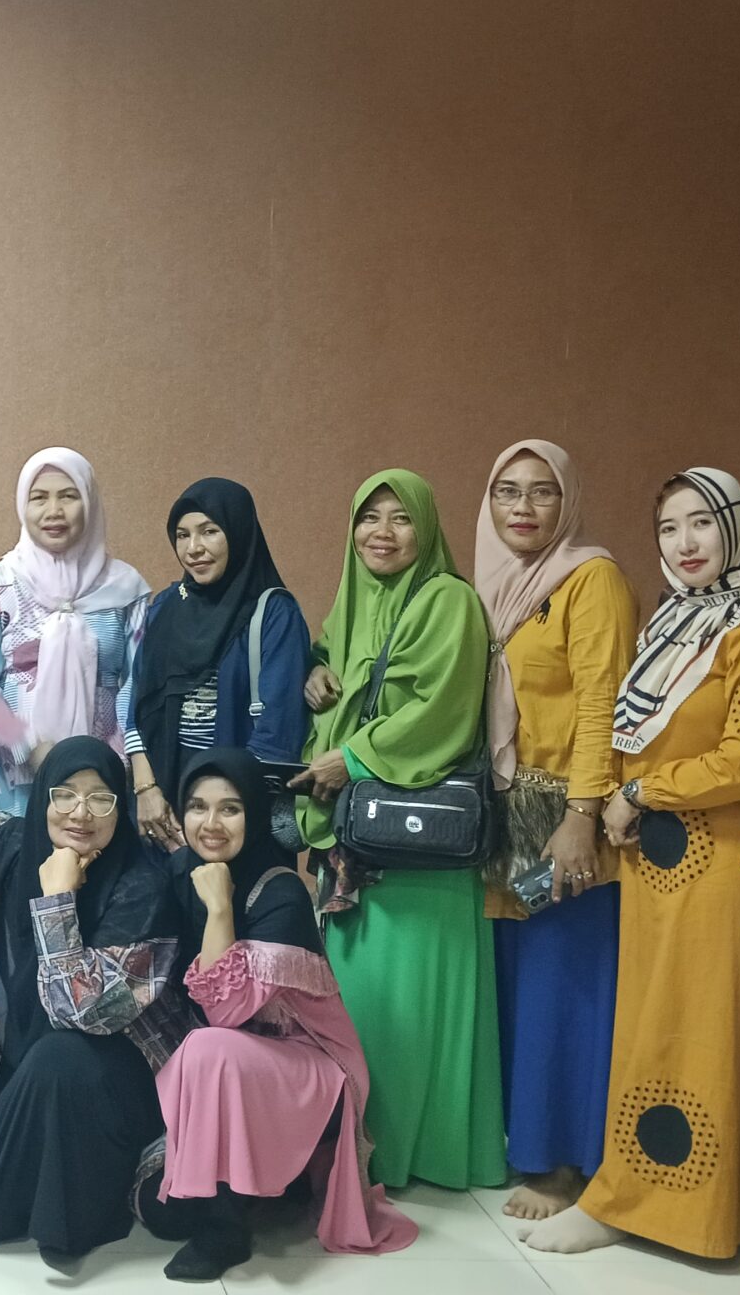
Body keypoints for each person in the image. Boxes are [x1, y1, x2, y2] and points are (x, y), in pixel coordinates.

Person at [526, 468, 740, 1257]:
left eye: (703, 523)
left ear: (739, 526)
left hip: (717, 868)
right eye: (669, 529)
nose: (686, 543)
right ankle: (641, 1199)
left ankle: (689, 1212)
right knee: (654, 1030)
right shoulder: (677, 619)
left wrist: (640, 792)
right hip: (656, 867)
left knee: (698, 1036)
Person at [295, 469, 504, 1191]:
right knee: (363, 1006)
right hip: (357, 843)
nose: (381, 533)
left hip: (419, 851)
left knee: (415, 1008)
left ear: (427, 527)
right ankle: (360, 1154)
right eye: (369, 517)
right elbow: (341, 670)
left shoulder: (449, 601)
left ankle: (421, 1155)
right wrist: (313, 673)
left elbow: (444, 710)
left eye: (400, 518)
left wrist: (352, 757)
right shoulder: (353, 602)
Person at [140, 749, 416, 1279]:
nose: (211, 823)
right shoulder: (180, 871)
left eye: (230, 809)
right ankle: (250, 1187)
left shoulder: (279, 891)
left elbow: (225, 1011)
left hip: (310, 1073)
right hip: (238, 1065)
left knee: (209, 1047)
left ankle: (223, 1229)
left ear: (256, 815)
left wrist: (220, 908)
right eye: (197, 807)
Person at [469, 441, 639, 1220]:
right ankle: (527, 1138)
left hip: (559, 819)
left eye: (542, 492)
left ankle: (565, 1161)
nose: (523, 508)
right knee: (518, 978)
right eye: (507, 491)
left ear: (567, 502)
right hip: (507, 814)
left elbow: (605, 700)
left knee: (561, 984)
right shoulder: (493, 585)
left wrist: (580, 819)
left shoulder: (590, 579)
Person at [0, 739, 179, 1265]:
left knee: (60, 1053)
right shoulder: (19, 846)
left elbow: (82, 1015)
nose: (80, 813)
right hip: (33, 1066)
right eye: (65, 794)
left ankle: (109, 1180)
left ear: (120, 805)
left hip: (117, 1079)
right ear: (44, 797)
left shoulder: (144, 889)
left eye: (100, 798)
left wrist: (57, 903)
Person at [0, 448, 151, 815]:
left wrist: (116, 758)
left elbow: (135, 681)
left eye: (68, 496)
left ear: (89, 502)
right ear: (22, 505)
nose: (54, 511)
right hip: (12, 773)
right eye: (39, 498)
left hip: (101, 768)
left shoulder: (126, 588)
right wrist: (26, 746)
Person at [126, 477, 312, 851]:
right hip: (164, 804)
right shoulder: (166, 607)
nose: (193, 548)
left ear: (238, 531)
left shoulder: (274, 613)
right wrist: (146, 789)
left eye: (209, 531)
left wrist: (212, 814)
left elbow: (278, 731)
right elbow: (138, 704)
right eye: (182, 535)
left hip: (237, 807)